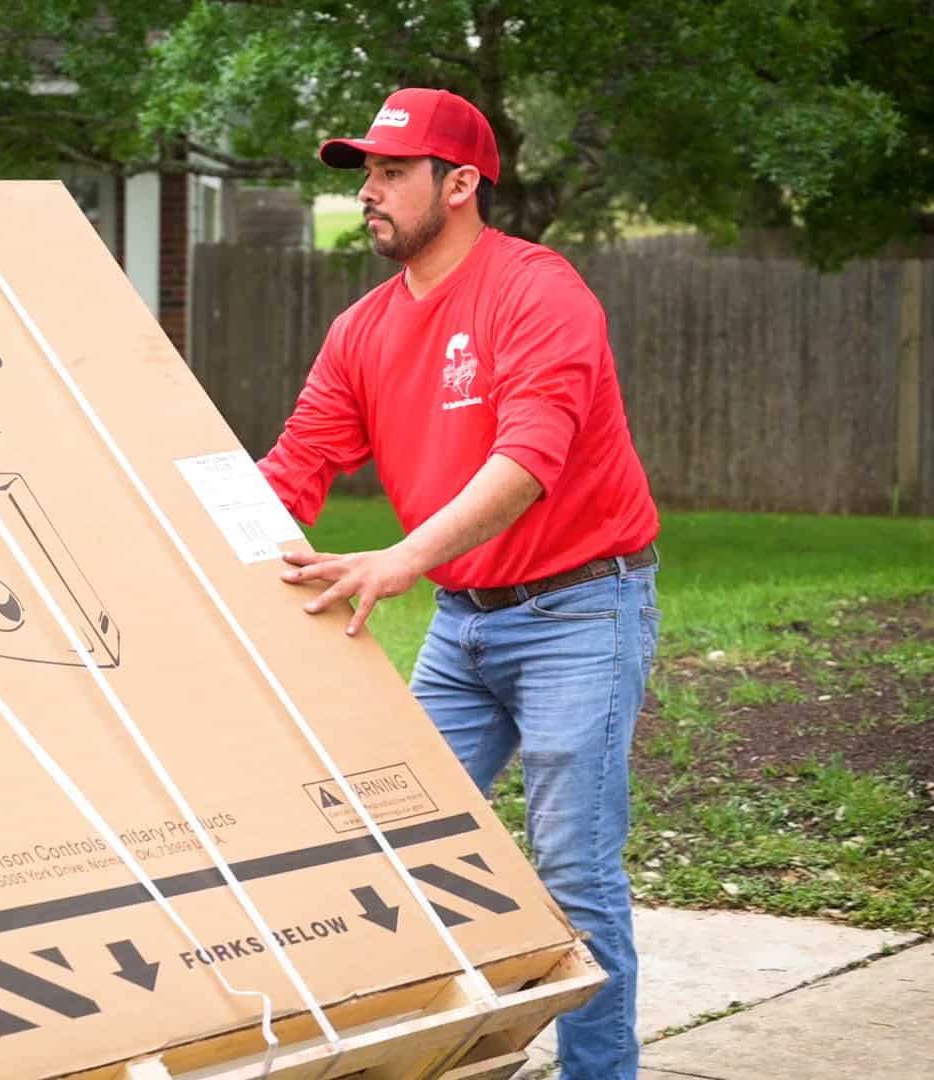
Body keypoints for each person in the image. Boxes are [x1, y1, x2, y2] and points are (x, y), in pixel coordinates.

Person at [261, 87, 661, 1079]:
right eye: (366, 173)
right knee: (396, 852)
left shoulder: (539, 291)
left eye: (392, 172)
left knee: (572, 873)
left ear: (461, 183)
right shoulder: (360, 330)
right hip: (463, 626)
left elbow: (529, 461)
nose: (371, 190)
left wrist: (397, 558)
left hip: (582, 611)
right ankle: (449, 1052)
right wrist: (180, 541)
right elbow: (294, 469)